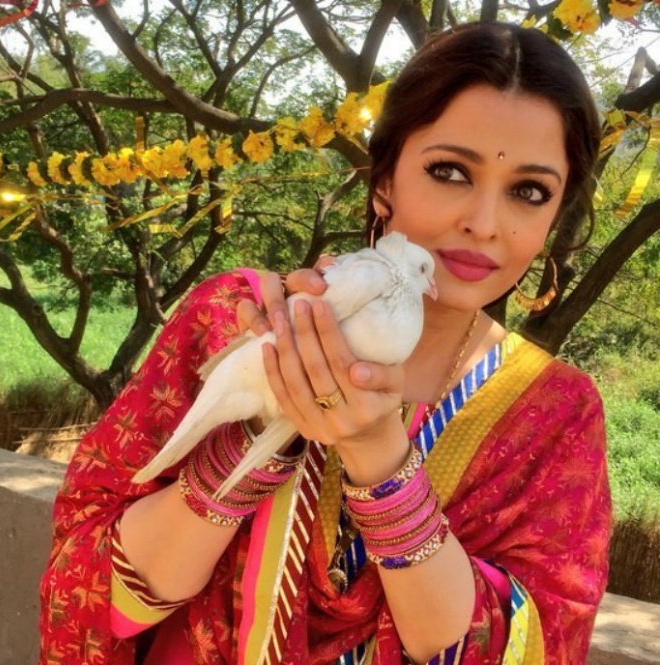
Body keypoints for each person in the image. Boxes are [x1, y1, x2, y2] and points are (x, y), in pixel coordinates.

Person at [39, 20, 611, 665]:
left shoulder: (552, 413)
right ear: (384, 180)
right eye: (449, 171)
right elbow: (95, 594)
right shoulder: (237, 320)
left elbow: (531, 649)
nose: (484, 223)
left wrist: (379, 457)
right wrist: (265, 416)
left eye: (529, 192)